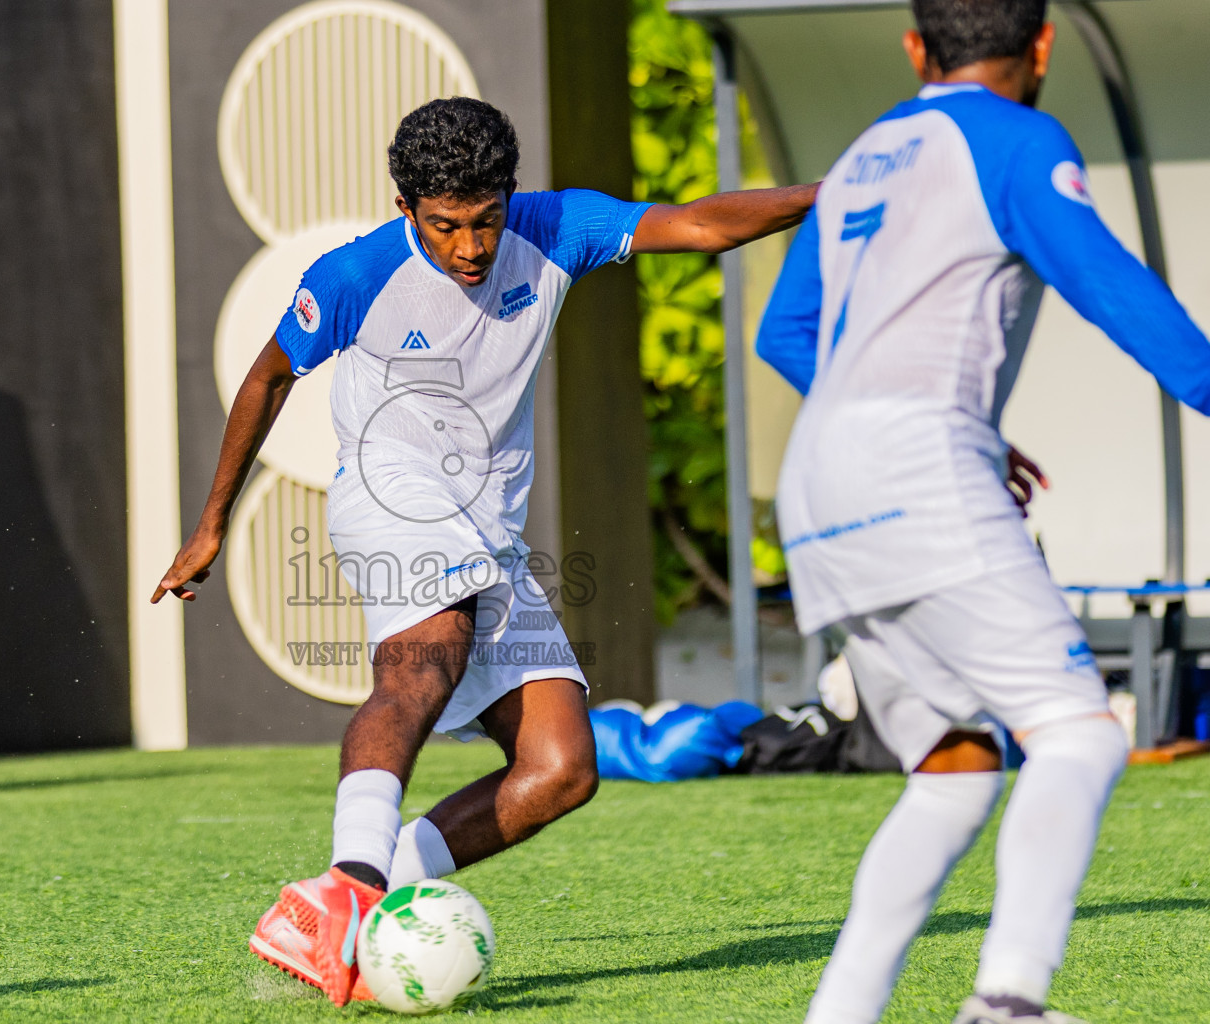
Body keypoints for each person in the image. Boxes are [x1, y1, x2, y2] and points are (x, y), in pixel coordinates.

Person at [152, 96, 816, 1004]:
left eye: (487, 220)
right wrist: (212, 523)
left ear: (511, 196)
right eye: (445, 225)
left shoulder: (558, 228)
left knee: (560, 769)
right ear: (406, 208)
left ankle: (355, 899)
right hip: (391, 494)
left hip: (487, 531)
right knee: (427, 659)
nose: (470, 247)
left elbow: (702, 224)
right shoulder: (356, 275)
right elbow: (268, 377)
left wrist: (831, 192)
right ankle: (348, 886)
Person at [754, 1, 1210, 1022]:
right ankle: (1007, 1002)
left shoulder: (863, 154)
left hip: (818, 479)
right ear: (1041, 44)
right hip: (917, 465)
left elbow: (784, 333)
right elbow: (1110, 286)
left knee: (956, 773)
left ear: (916, 48)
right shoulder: (1018, 138)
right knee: (1082, 736)